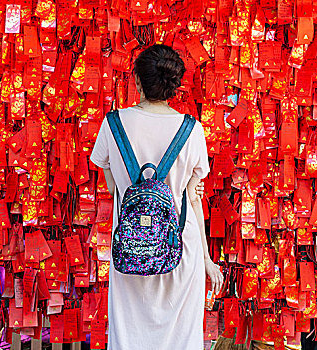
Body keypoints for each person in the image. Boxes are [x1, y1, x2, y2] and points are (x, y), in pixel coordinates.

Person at [90, 44, 223, 350]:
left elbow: (116, 189)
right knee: (180, 339)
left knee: (129, 335)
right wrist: (205, 259)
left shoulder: (113, 125)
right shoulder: (192, 130)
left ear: (136, 80)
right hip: (179, 249)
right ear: (174, 87)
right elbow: (192, 198)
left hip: (130, 248)